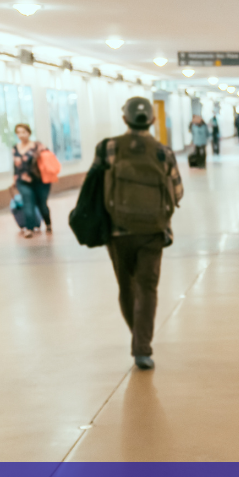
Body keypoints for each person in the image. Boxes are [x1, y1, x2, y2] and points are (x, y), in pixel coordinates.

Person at [89, 96, 185, 371]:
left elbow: (93, 186)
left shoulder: (108, 147)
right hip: (153, 230)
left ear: (124, 119)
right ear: (153, 120)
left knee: (126, 286)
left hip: (117, 231)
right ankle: (142, 348)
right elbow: (177, 192)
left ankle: (137, 335)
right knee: (147, 287)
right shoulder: (162, 152)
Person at [8, 123, 53, 238]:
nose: (21, 135)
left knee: (42, 204)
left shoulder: (38, 146)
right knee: (28, 202)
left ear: (29, 132)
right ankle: (29, 228)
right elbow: (15, 166)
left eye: (24, 132)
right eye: (18, 132)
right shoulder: (15, 148)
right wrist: (14, 180)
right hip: (23, 182)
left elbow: (49, 159)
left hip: (40, 181)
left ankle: (48, 223)